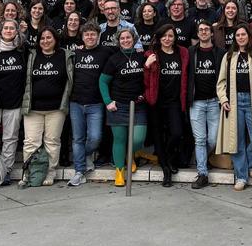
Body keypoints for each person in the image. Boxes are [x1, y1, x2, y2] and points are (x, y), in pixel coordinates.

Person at [216, 24, 252, 190]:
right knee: (236, 140)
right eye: (237, 35)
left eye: (243, 34)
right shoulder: (229, 56)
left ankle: (249, 165)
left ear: (249, 36)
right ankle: (241, 176)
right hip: (234, 102)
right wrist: (223, 99)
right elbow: (222, 81)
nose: (240, 37)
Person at [21, 26, 72, 186]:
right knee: (31, 142)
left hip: (56, 108)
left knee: (52, 141)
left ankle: (50, 172)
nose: (45, 41)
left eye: (49, 37)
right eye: (42, 38)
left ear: (55, 39)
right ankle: (28, 172)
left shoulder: (65, 55)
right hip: (33, 108)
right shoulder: (32, 55)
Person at [100, 27, 148, 187]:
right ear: (118, 41)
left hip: (139, 105)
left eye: (128, 38)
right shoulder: (114, 59)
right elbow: (103, 81)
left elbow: (149, 78)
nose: (126, 40)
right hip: (118, 105)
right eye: (122, 39)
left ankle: (131, 155)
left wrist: (145, 93)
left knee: (138, 138)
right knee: (119, 139)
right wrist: (108, 101)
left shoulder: (142, 57)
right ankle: (119, 172)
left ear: (134, 40)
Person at [67, 21, 111, 186]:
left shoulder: (105, 52)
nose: (90, 37)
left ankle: (85, 155)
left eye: (93, 34)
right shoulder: (74, 54)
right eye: (87, 34)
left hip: (96, 103)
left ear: (98, 36)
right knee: (78, 138)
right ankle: (79, 171)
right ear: (82, 37)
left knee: (95, 138)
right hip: (76, 102)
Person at [145, 24, 189, 187]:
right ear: (159, 38)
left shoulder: (183, 53)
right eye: (164, 36)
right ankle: (166, 172)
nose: (167, 39)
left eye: (170, 36)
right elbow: (145, 81)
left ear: (175, 37)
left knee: (176, 133)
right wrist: (147, 66)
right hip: (156, 101)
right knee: (158, 137)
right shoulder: (152, 54)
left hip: (175, 102)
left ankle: (169, 158)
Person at [0, 19, 27, 186]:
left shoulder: (22, 51)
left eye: (12, 28)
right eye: (6, 28)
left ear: (17, 31)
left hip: (14, 101)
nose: (8, 31)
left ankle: (6, 170)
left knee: (10, 137)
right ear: (0, 31)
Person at [186, 20, 224, 188]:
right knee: (200, 139)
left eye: (206, 30)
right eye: (200, 30)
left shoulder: (220, 53)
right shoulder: (191, 52)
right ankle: (202, 173)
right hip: (197, 103)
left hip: (214, 102)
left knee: (213, 139)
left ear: (211, 33)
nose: (203, 32)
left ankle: (201, 157)